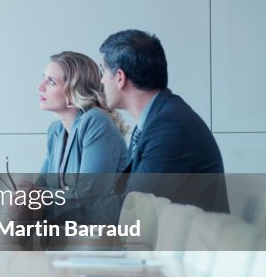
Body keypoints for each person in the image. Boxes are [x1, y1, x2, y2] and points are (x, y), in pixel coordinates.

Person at [99, 29, 228, 212]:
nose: (102, 80)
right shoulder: (158, 119)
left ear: (120, 77)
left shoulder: (169, 127)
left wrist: (60, 211)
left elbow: (131, 208)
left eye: (102, 70)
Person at [32, 51, 129, 201]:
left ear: (74, 90)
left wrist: (36, 195)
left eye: (51, 81)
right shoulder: (56, 131)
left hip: (101, 223)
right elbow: (36, 189)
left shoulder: (95, 122)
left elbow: (88, 198)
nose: (40, 86)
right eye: (43, 78)